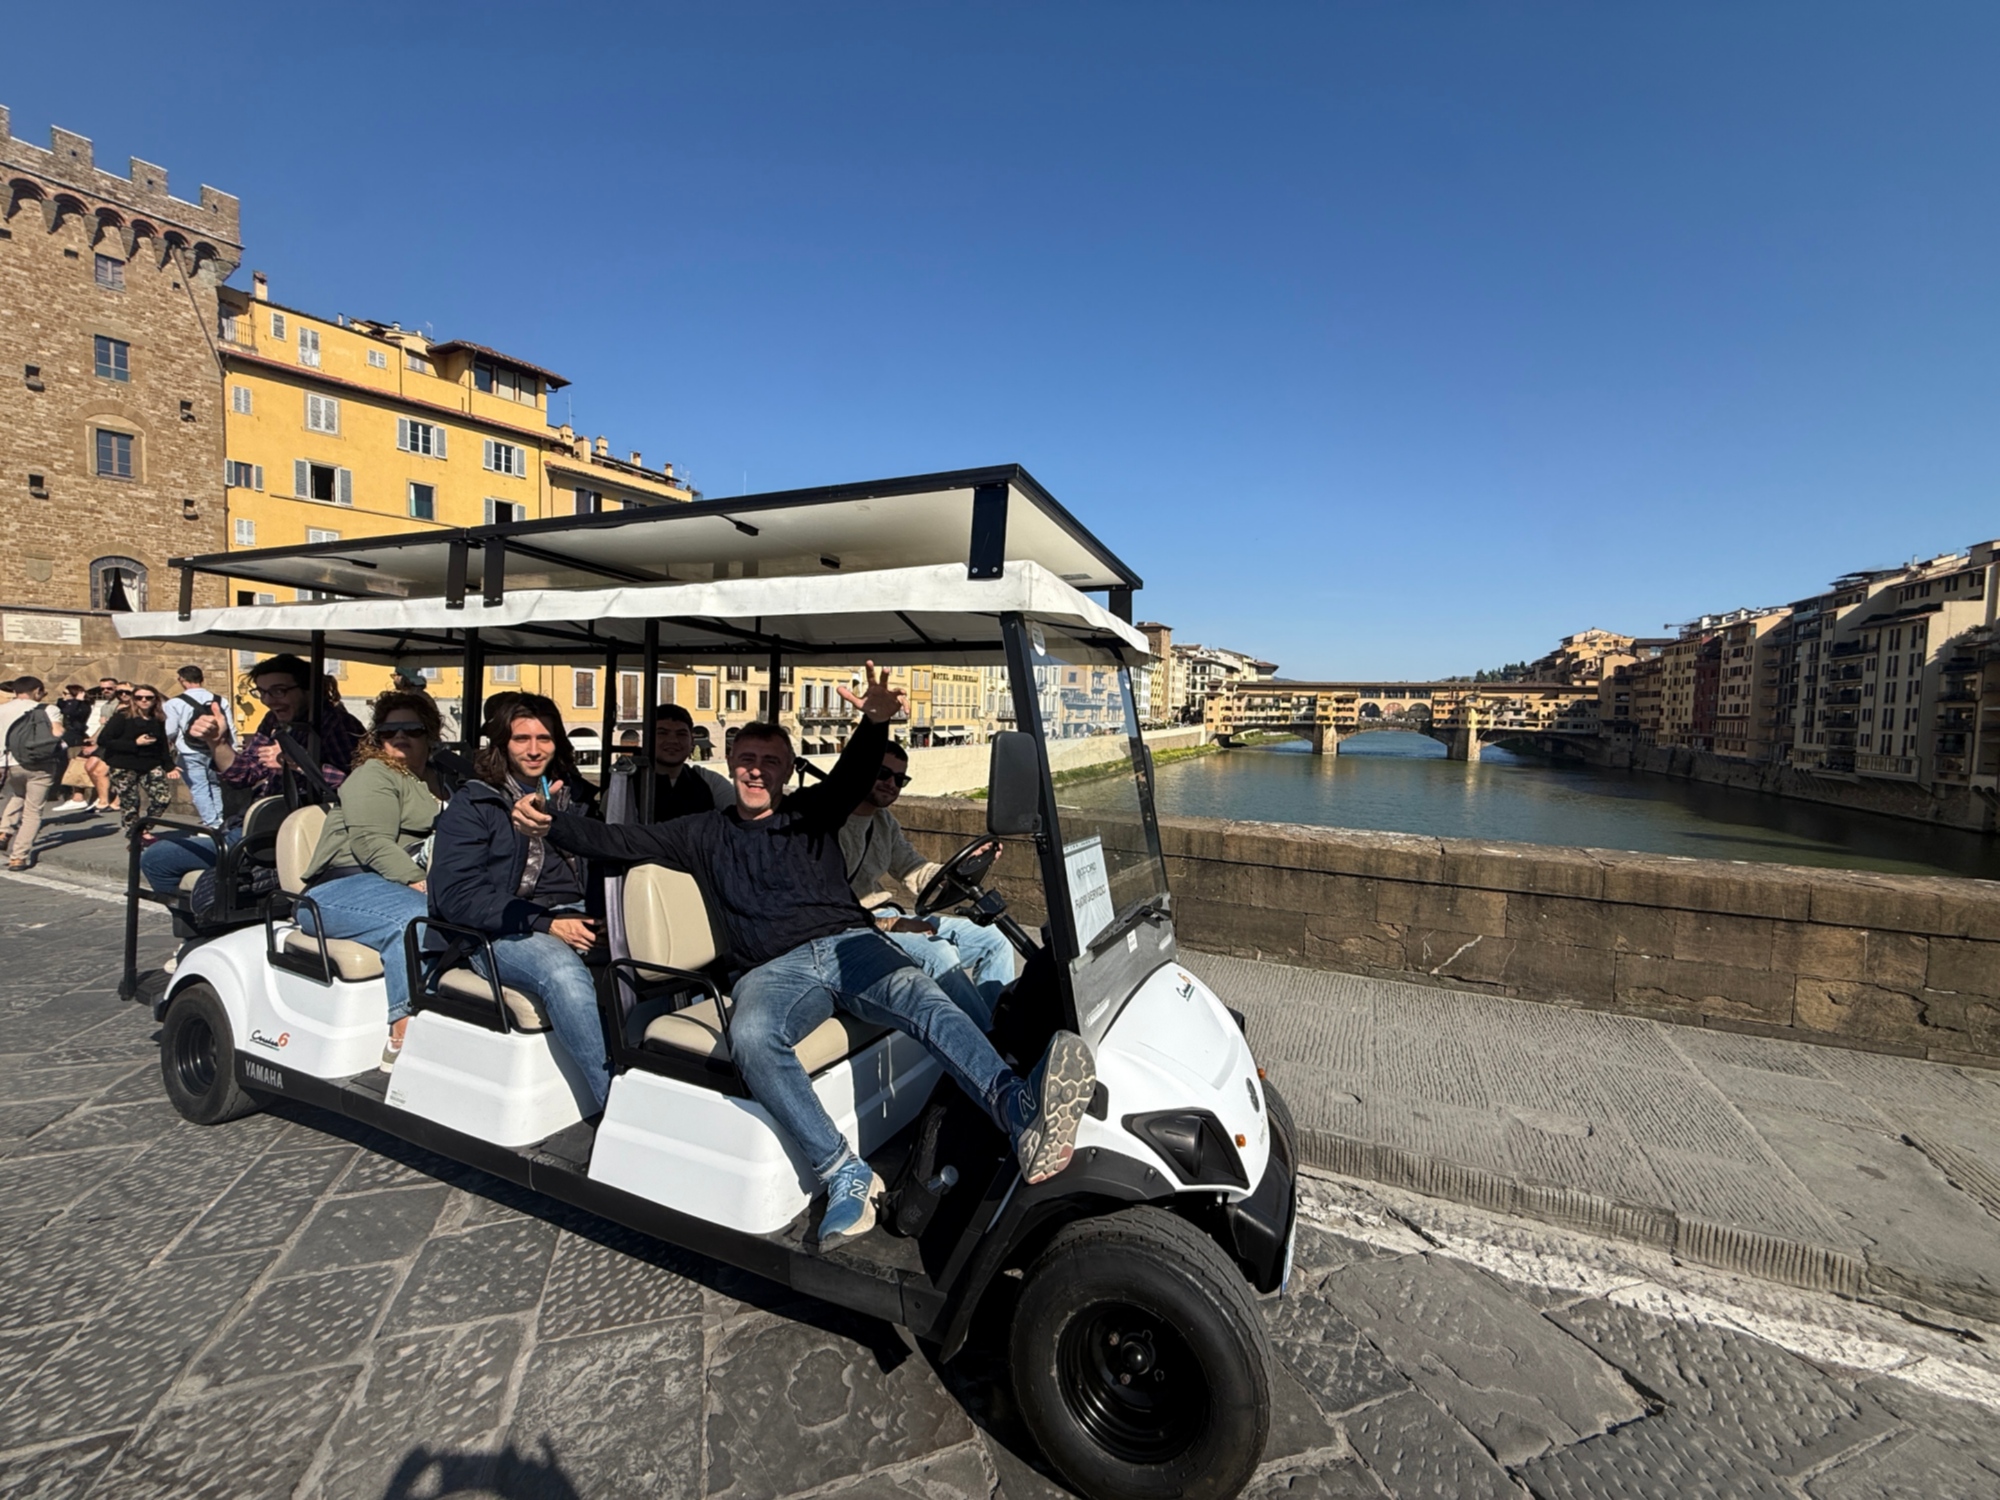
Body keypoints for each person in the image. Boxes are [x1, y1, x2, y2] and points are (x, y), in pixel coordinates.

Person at [512, 664, 1095, 1245]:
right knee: (752, 1037)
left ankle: (1017, 1111)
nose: (756, 771)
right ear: (729, 764)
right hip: (771, 970)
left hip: (849, 945)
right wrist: (549, 825)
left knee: (926, 995)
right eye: (745, 760)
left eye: (769, 762)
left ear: (788, 771)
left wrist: (875, 721)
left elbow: (853, 774)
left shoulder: (813, 811)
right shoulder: (700, 832)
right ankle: (843, 1170)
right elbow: (615, 840)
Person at [427, 695, 612, 1113]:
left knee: (658, 954)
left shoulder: (575, 797)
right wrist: (547, 924)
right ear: (502, 744)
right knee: (562, 973)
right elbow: (458, 895)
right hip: (500, 928)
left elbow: (599, 864)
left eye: (544, 738)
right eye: (521, 739)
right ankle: (614, 1102)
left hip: (572, 913)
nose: (534, 749)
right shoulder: (474, 803)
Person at [299, 692, 449, 1070]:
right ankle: (402, 1032)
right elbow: (370, 842)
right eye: (389, 730)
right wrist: (417, 881)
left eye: (411, 729)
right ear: (377, 737)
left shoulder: (439, 779)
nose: (400, 737)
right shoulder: (375, 775)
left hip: (388, 885)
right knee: (413, 919)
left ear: (429, 733)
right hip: (341, 886)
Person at [140, 654, 362, 898]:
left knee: (157, 859)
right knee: (169, 861)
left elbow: (357, 783)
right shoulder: (273, 721)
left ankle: (204, 928)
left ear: (308, 689)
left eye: (279, 691)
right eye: (263, 692)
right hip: (256, 823)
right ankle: (205, 924)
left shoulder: (337, 723)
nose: (269, 700)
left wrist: (299, 762)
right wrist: (217, 743)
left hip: (293, 831)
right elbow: (243, 775)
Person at [840, 740, 1016, 1028]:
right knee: (939, 953)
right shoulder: (832, 823)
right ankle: (992, 1050)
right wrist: (892, 924)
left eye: (900, 779)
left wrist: (962, 867)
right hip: (852, 931)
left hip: (885, 918)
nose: (891, 784)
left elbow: (914, 870)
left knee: (993, 939)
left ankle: (998, 1027)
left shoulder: (883, 822)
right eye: (883, 773)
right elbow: (825, 910)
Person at [1, 677, 69, 871]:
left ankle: (3, 831)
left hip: (9, 764)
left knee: (18, 795)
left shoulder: (2, 710)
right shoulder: (48, 709)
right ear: (37, 691)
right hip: (40, 764)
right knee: (33, 810)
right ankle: (18, 857)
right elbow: (57, 733)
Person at [96, 685, 178, 839]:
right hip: (123, 765)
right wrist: (135, 744)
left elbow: (162, 745)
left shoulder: (158, 718)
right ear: (133, 700)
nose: (144, 701)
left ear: (155, 700)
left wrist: (169, 766)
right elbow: (104, 740)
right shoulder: (122, 717)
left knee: (162, 799)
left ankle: (143, 828)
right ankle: (134, 835)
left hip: (150, 764)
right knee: (130, 802)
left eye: (149, 698)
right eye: (139, 697)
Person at [162, 664, 233, 830]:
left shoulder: (175, 703)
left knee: (199, 788)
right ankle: (220, 819)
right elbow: (230, 726)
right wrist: (232, 747)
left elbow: (170, 730)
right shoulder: (221, 700)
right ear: (202, 678)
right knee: (215, 785)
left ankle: (212, 824)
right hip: (216, 750)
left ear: (182, 680)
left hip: (190, 751)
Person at [641, 703, 734, 821]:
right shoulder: (628, 784)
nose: (673, 740)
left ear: (692, 741)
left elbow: (742, 816)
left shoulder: (709, 781)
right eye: (662, 733)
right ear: (647, 738)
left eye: (681, 734)